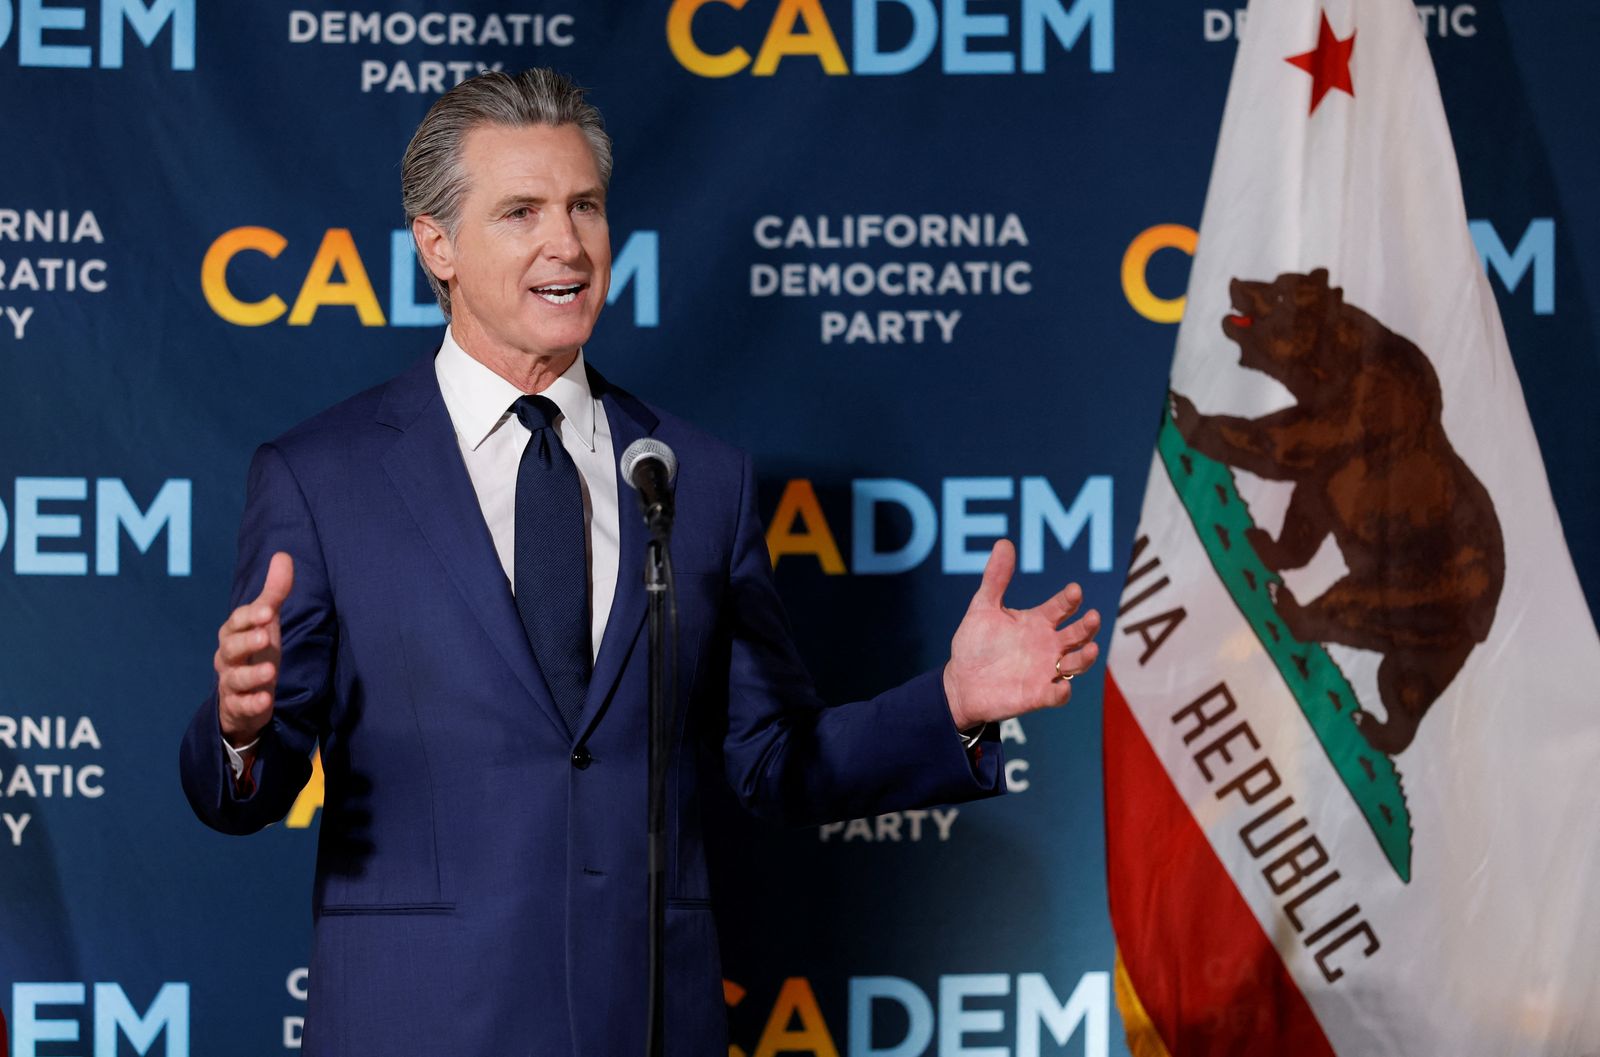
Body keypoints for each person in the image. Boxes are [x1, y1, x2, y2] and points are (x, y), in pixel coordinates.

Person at [178, 68, 1100, 1056]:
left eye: (584, 207)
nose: (565, 243)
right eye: (521, 211)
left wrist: (951, 703)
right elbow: (252, 789)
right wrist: (240, 730)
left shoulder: (696, 477)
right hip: (418, 1024)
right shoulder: (323, 477)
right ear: (435, 244)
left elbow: (773, 761)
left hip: (648, 1020)